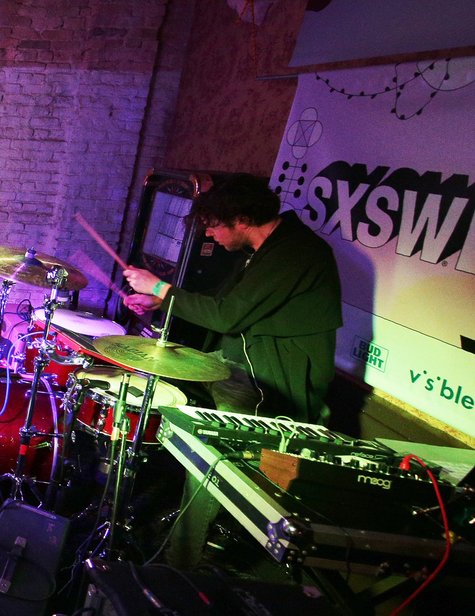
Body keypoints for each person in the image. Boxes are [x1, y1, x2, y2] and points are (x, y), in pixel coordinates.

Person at [123, 173, 342, 567]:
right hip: (240, 367)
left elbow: (227, 316)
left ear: (241, 219)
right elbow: (218, 300)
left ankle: (180, 563)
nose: (210, 237)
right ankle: (147, 516)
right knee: (165, 410)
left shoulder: (296, 252)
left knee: (210, 453)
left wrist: (159, 288)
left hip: (270, 382)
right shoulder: (265, 251)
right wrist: (159, 304)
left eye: (215, 226)